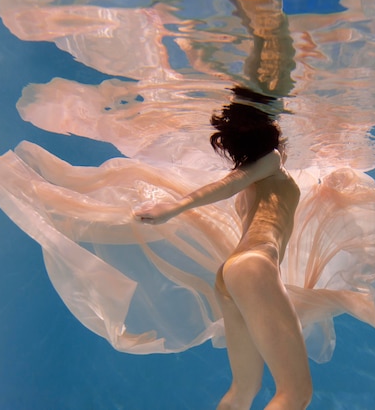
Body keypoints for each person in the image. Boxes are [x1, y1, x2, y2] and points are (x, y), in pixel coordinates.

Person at [133, 86, 312, 410]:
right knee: (295, 393)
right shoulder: (271, 163)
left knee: (243, 390)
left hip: (232, 273)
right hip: (255, 266)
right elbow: (228, 184)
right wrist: (174, 208)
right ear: (273, 138)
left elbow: (235, 182)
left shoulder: (255, 183)